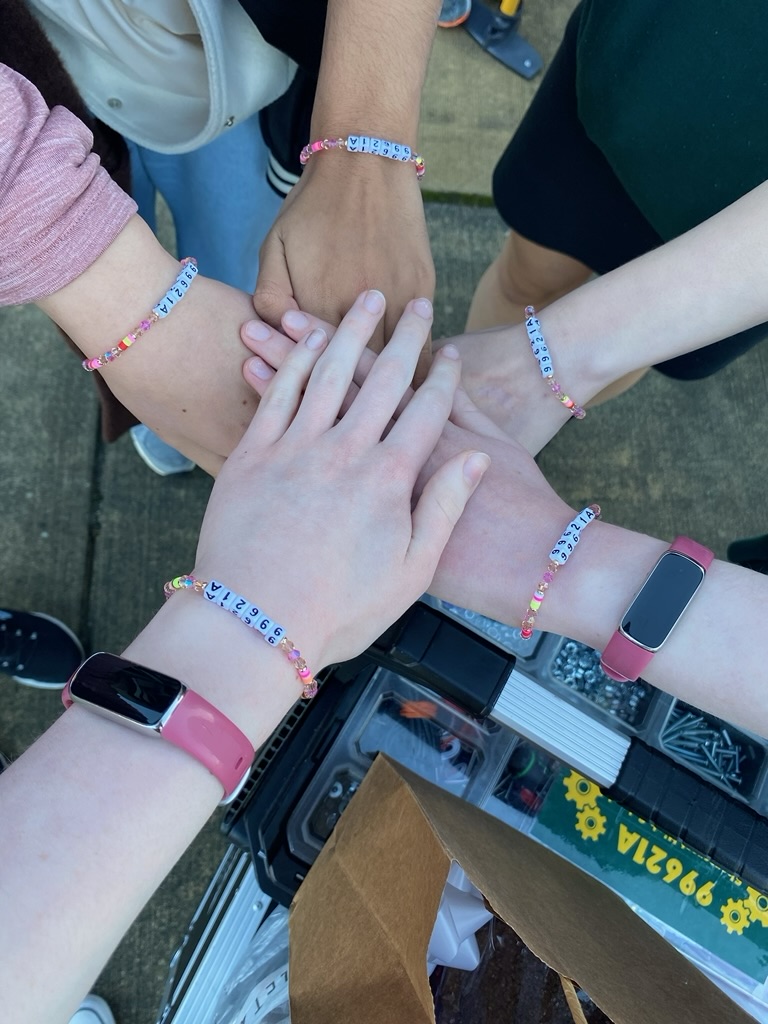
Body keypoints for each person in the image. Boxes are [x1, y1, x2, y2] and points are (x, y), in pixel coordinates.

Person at [25, 0, 441, 473]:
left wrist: (364, 141)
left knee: (244, 274)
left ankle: (192, 410)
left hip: (242, 65)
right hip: (37, 62)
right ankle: (175, 416)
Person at [465, 0, 768, 406]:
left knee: (616, 350)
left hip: (745, 226)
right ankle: (484, 412)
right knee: (524, 281)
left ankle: (526, 421)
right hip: (648, 55)